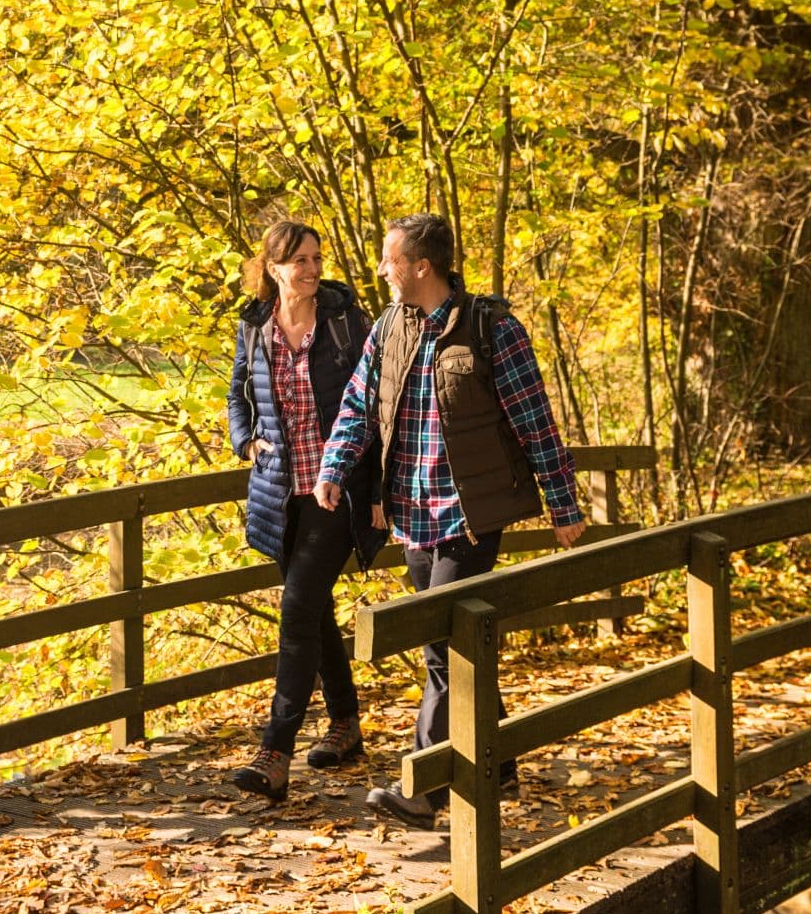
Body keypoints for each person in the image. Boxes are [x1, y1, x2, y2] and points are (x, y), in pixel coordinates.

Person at [316, 211, 585, 829]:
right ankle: (502, 759)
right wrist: (334, 468)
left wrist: (562, 503)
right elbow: (359, 404)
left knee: (441, 643)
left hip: (469, 514)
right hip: (411, 516)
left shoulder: (493, 330)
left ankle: (426, 788)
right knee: (457, 645)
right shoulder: (389, 327)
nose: (382, 269)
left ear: (421, 266)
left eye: (390, 259)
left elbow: (534, 421)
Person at [224, 220, 381, 800]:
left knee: (296, 609)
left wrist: (381, 491)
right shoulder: (253, 326)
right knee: (312, 611)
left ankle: (275, 751)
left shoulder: (345, 321)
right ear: (273, 267)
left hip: (336, 490)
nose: (313, 269)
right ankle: (345, 725)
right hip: (277, 491)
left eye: (317, 258)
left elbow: (379, 404)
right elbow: (237, 392)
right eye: (300, 261)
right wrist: (246, 442)